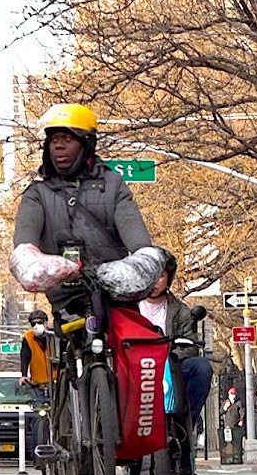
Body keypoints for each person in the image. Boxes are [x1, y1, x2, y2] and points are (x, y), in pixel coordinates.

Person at [10, 102, 158, 316]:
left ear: (86, 144)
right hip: (67, 306)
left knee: (140, 335)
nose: (59, 146)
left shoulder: (113, 185)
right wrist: (40, 265)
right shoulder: (37, 194)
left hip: (115, 302)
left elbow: (140, 244)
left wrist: (142, 262)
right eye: (54, 140)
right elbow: (24, 248)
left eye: (67, 139)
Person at [126, 249, 214, 475]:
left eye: (161, 276)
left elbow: (191, 345)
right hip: (136, 371)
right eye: (150, 275)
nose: (155, 282)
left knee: (201, 367)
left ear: (169, 278)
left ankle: (187, 423)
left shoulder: (181, 311)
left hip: (170, 367)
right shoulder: (128, 308)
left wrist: (169, 355)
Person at [18, 309, 55, 454]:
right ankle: (37, 454)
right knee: (38, 417)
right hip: (38, 385)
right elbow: (25, 357)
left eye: (39, 323)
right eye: (33, 324)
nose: (36, 326)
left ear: (46, 323)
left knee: (64, 415)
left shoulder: (54, 336)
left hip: (57, 383)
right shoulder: (28, 338)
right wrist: (23, 375)